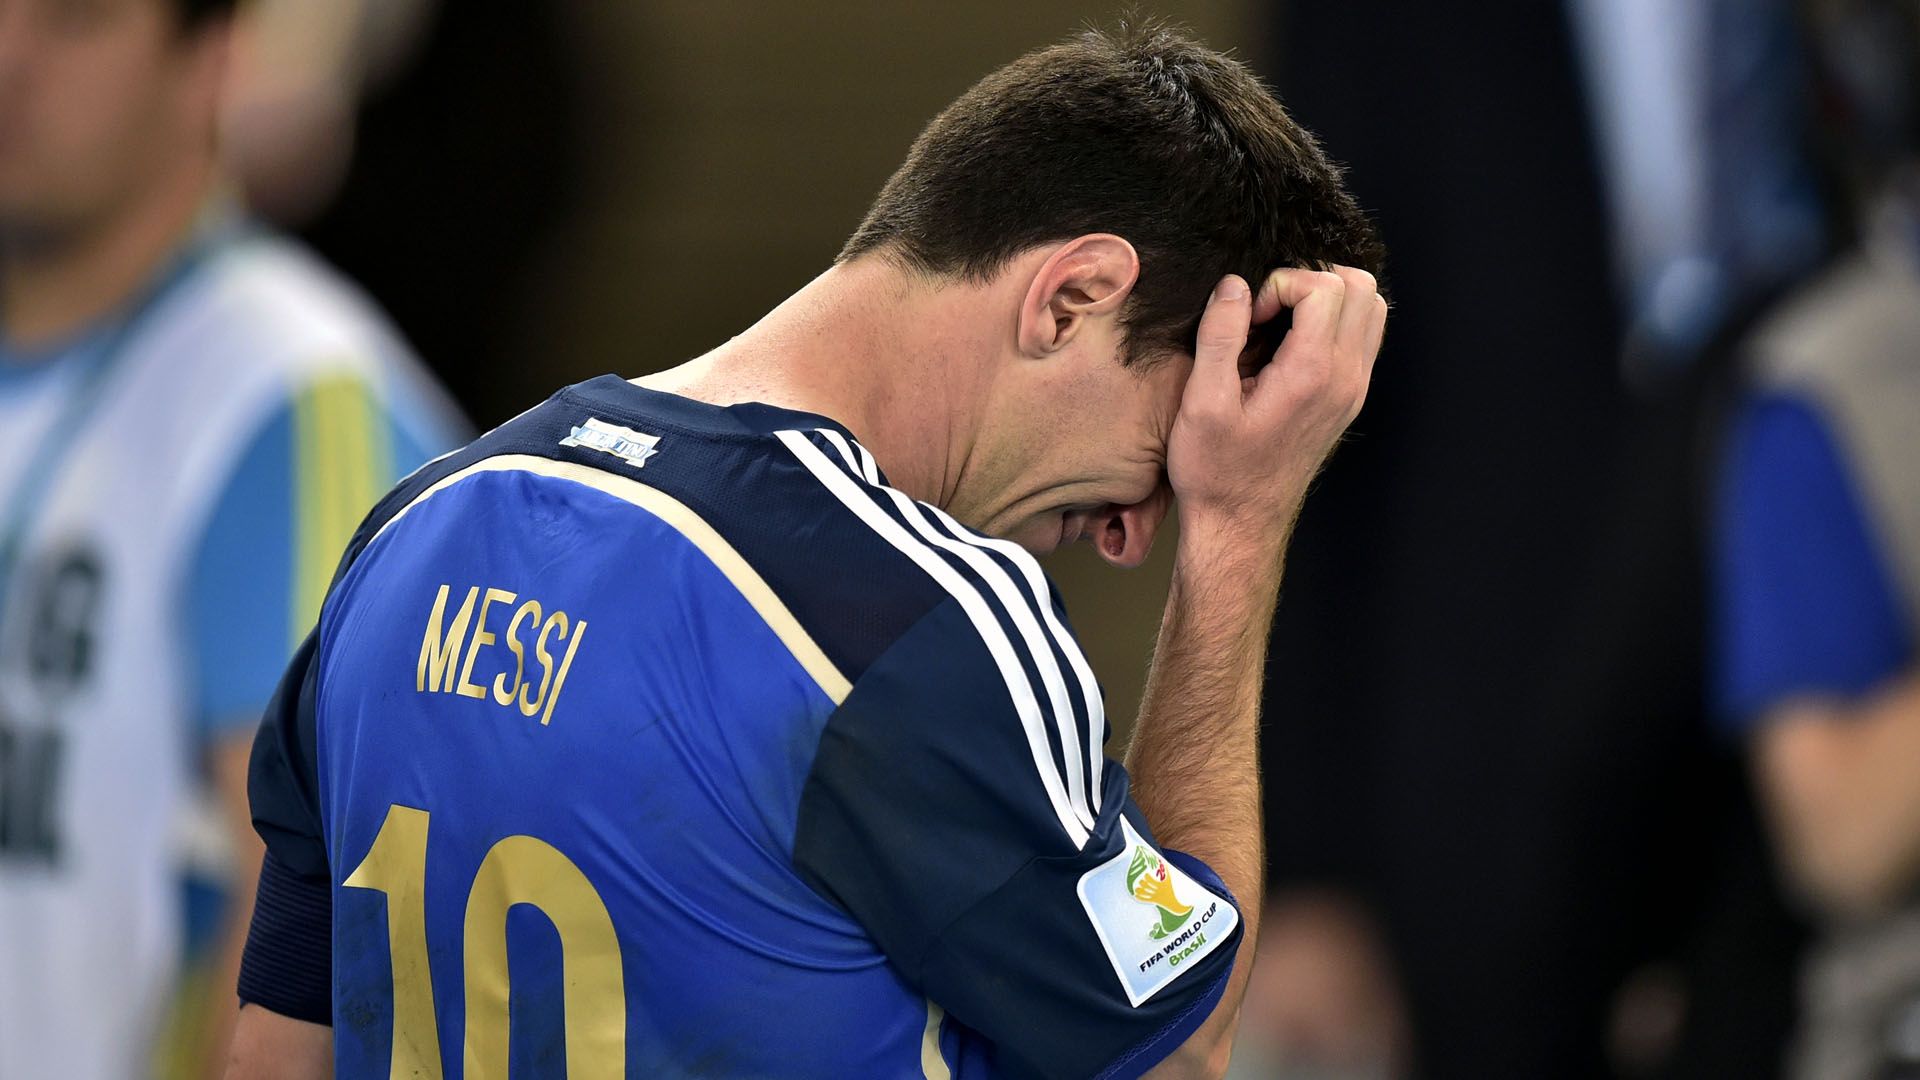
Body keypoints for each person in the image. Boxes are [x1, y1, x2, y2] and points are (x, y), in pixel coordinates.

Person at [225, 21, 1386, 1079]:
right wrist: (1240, 525)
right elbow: (1178, 1053)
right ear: (1072, 297)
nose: (1134, 532)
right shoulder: (910, 625)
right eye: (1168, 450)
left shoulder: (419, 523)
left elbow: (274, 1057)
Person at [0, 0, 464, 1076]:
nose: (11, 58)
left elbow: (321, 965)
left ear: (209, 60)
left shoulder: (285, 401)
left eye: (75, 19)